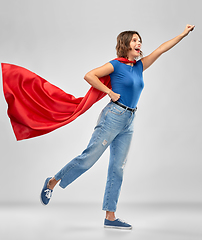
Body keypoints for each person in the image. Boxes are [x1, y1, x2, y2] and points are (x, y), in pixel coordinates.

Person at [40, 24, 195, 230]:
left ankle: (110, 216)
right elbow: (89, 75)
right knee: (88, 159)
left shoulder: (139, 66)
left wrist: (182, 34)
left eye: (140, 40)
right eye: (134, 40)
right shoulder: (116, 65)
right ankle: (52, 181)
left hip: (129, 120)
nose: (138, 43)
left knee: (117, 168)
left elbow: (161, 49)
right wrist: (109, 92)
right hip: (113, 116)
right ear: (125, 45)